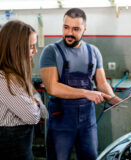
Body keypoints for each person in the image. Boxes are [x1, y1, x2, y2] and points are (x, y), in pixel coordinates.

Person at [40, 8, 121, 160]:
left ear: (85, 29)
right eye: (66, 27)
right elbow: (52, 87)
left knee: (90, 157)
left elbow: (102, 83)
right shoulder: (51, 51)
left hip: (87, 123)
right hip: (61, 121)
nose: (69, 33)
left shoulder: (94, 52)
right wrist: (86, 92)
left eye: (76, 29)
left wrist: (114, 98)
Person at [0, 20, 48, 160]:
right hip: (10, 149)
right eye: (31, 46)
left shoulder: (15, 76)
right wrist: (36, 102)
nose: (35, 51)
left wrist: (34, 101)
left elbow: (41, 111)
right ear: (16, 48)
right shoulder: (4, 79)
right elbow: (32, 116)